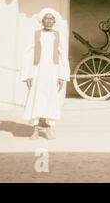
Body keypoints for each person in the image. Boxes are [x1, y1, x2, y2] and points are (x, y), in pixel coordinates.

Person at [21, 8, 70, 140]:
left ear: (54, 21)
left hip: (53, 71)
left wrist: (62, 76)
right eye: (46, 19)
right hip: (38, 71)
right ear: (42, 21)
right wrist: (28, 75)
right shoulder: (36, 34)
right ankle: (35, 130)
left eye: (51, 19)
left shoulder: (58, 35)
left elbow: (62, 56)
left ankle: (48, 129)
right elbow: (28, 54)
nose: (48, 21)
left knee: (51, 99)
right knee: (35, 98)